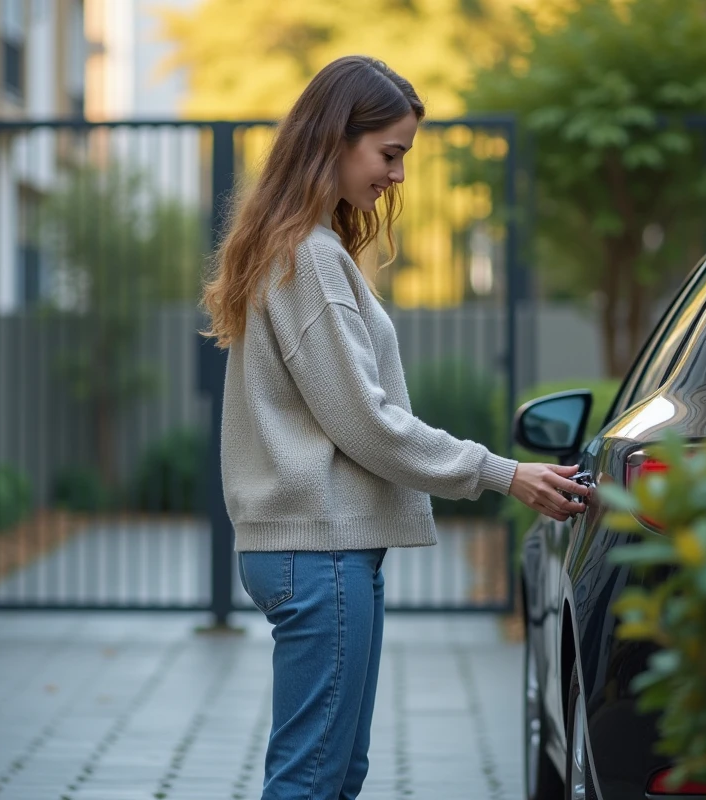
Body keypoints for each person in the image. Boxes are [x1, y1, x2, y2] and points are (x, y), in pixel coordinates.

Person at [201, 54, 590, 800]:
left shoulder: (296, 247)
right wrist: (501, 472)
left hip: (313, 551)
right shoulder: (309, 258)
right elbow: (367, 423)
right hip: (320, 552)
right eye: (391, 153)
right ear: (335, 141)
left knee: (334, 774)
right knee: (314, 779)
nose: (398, 176)